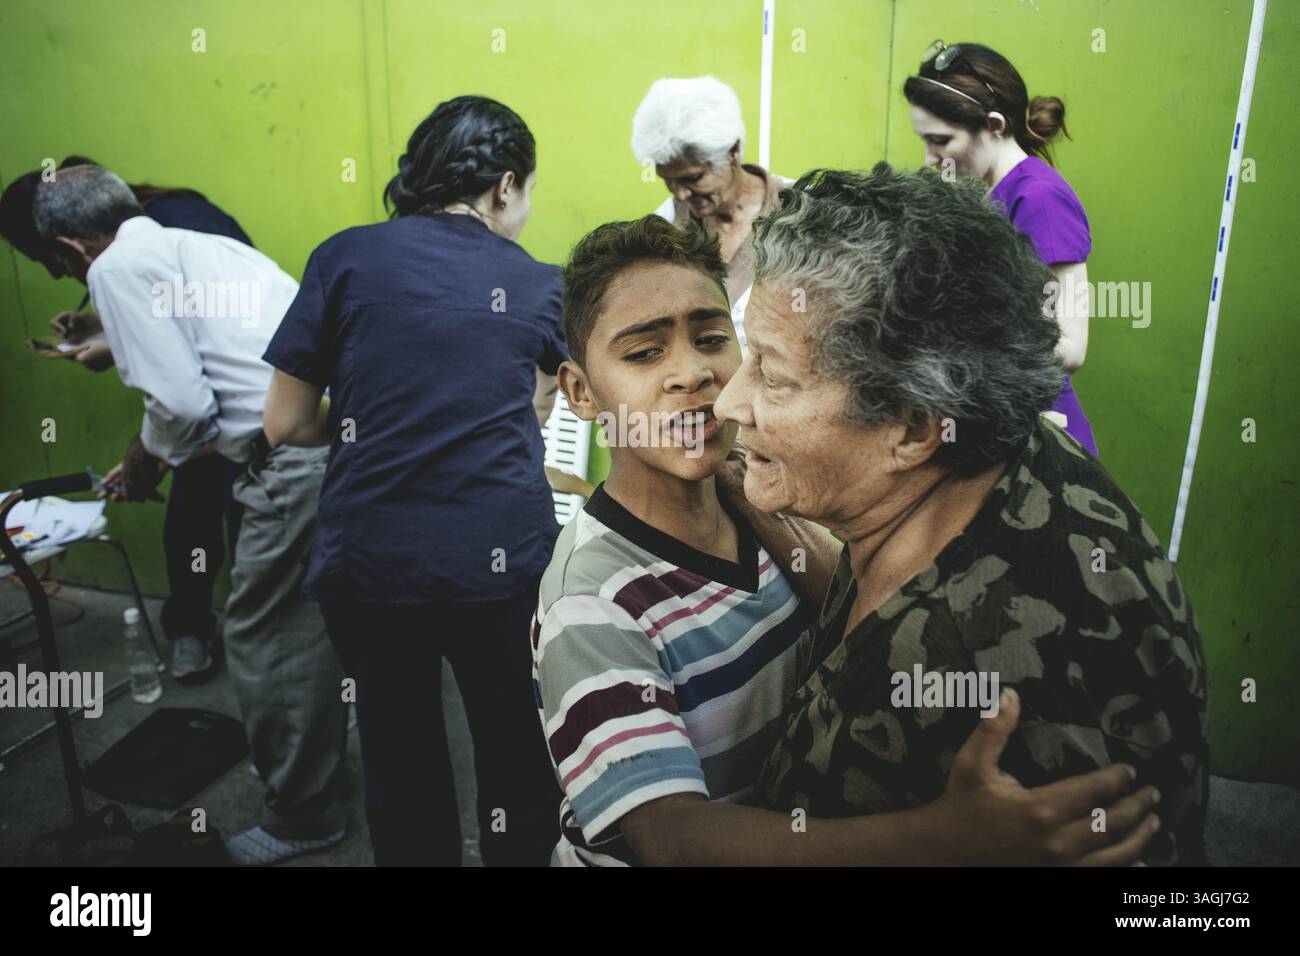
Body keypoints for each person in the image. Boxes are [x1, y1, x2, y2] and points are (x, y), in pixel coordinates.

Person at [532, 213, 1161, 867]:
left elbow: (858, 610)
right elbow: (671, 838)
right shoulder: (591, 597)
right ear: (580, 391)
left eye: (712, 337)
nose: (690, 373)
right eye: (644, 353)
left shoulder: (757, 502)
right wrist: (944, 837)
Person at [712, 165, 1207, 865]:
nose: (728, 404)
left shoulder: (983, 690)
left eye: (772, 374)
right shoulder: (1020, 454)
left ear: (913, 429)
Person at [261, 95, 565, 866]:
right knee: (516, 753)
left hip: (370, 564)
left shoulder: (345, 256)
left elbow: (286, 424)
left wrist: (375, 422)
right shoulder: (537, 283)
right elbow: (531, 413)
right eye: (525, 192)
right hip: (500, 562)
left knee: (400, 762)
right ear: (504, 186)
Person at [33, 164, 350, 865]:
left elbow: (180, 405)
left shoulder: (117, 267)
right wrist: (113, 332)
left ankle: (303, 816)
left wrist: (147, 458)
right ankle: (321, 772)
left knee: (269, 642)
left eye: (55, 261)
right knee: (313, 631)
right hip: (336, 447)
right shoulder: (197, 244)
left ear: (71, 249)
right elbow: (221, 342)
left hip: (289, 462)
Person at [2, 157, 253, 681]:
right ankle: (200, 630)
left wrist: (148, 446)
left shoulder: (150, 239)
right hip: (224, 406)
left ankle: (272, 665)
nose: (56, 274)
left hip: (241, 411)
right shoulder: (137, 240)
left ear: (70, 238)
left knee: (246, 526)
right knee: (197, 518)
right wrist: (102, 327)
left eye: (52, 257)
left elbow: (200, 346)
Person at [905, 41, 1098, 455]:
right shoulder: (979, 193)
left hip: (1038, 434)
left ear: (994, 125)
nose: (929, 158)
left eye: (940, 140)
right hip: (990, 421)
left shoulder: (1040, 199)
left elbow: (1072, 344)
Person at [632, 76, 791, 350]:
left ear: (733, 152)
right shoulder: (666, 222)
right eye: (669, 181)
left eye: (693, 177)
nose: (680, 194)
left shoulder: (799, 211)